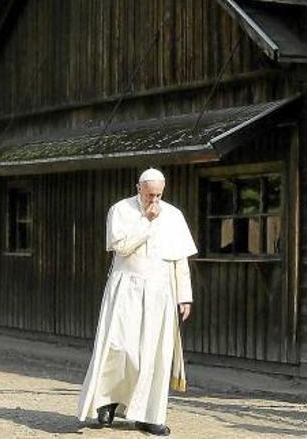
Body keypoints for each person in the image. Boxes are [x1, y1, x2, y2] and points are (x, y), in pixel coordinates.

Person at [77, 168, 197, 436]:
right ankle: (106, 401)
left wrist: (185, 296)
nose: (154, 199)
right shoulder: (120, 210)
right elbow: (120, 247)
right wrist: (145, 221)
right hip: (126, 287)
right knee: (120, 347)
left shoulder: (174, 215)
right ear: (138, 188)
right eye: (149, 193)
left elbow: (180, 260)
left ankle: (149, 415)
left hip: (160, 291)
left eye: (158, 194)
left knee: (154, 354)